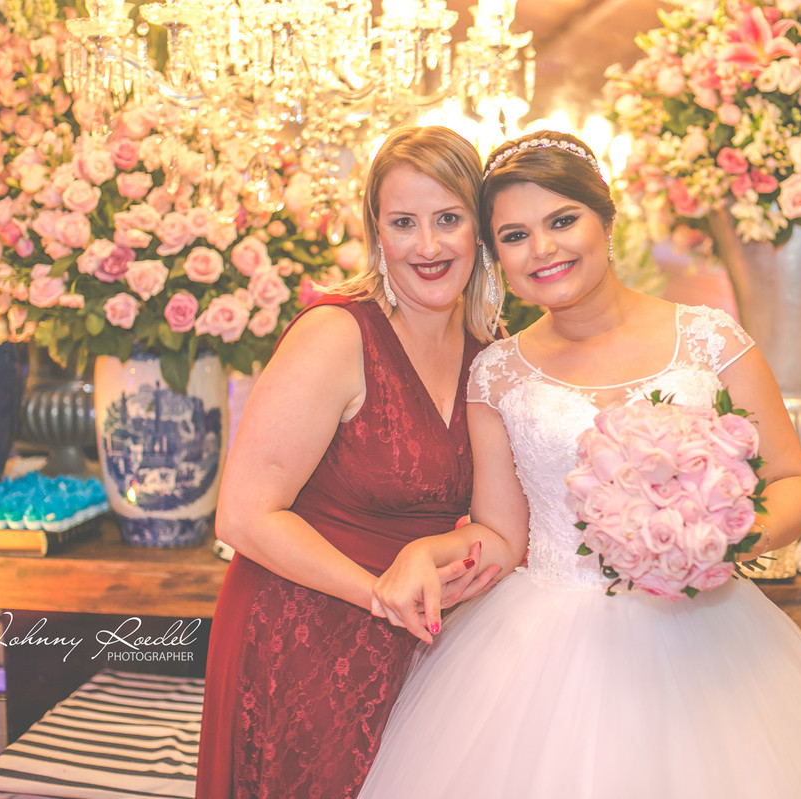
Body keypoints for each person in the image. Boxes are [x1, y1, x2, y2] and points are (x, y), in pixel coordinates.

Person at [359, 132, 801, 798]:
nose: (543, 249)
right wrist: (425, 551)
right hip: (544, 652)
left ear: (606, 218)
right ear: (495, 256)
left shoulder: (709, 339)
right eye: (515, 236)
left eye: (563, 220)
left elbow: (793, 481)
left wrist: (720, 539)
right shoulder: (497, 373)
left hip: (709, 636)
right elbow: (500, 535)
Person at [194, 125, 503, 799]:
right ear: (376, 232)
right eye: (404, 222)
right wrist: (376, 594)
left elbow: (500, 518)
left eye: (448, 218)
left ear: (480, 229)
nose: (427, 246)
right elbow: (243, 516)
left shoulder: (491, 349)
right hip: (298, 633)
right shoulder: (336, 334)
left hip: (419, 640)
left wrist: (435, 566)